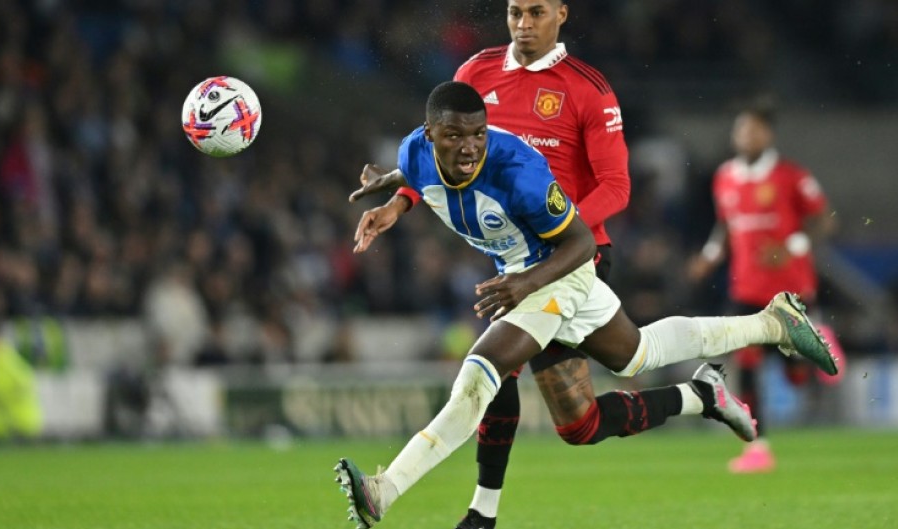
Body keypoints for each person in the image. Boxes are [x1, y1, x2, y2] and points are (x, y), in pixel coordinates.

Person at [335, 81, 836, 528]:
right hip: (523, 274)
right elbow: (415, 171)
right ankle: (769, 327)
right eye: (454, 137)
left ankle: (386, 490)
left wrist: (526, 283)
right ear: (429, 133)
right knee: (637, 355)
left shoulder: (517, 171)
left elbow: (579, 243)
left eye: (477, 136)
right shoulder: (413, 152)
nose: (468, 149)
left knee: (477, 377)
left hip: (557, 268)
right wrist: (393, 198)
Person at [353, 2, 637, 526]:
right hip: (508, 265)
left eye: (536, 12)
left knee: (558, 405)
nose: (524, 23)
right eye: (514, 12)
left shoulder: (588, 88)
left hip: (573, 258)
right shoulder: (475, 74)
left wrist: (560, 236)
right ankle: (481, 513)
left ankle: (699, 393)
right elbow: (446, 161)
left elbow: (617, 185)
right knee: (541, 403)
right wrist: (399, 202)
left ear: (561, 14)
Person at [687, 99, 840, 473]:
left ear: (768, 134)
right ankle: (759, 447)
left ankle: (812, 344)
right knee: (748, 362)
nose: (746, 136)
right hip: (746, 287)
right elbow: (726, 225)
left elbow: (824, 219)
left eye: (753, 129)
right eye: (741, 130)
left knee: (795, 373)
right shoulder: (725, 176)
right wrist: (709, 254)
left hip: (791, 287)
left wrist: (792, 246)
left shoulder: (791, 175)